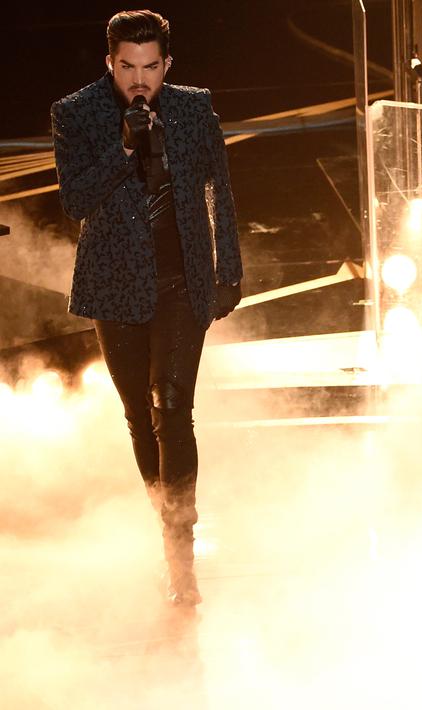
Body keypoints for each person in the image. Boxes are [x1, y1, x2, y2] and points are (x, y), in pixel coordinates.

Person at [51, 9, 243, 606]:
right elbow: (75, 201)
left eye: (151, 67)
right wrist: (122, 148)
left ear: (167, 64)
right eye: (128, 67)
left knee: (171, 405)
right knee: (140, 413)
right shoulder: (77, 114)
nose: (140, 80)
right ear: (110, 62)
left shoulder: (192, 108)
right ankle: (166, 527)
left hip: (183, 281)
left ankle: (182, 559)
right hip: (115, 285)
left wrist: (229, 271)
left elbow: (221, 189)